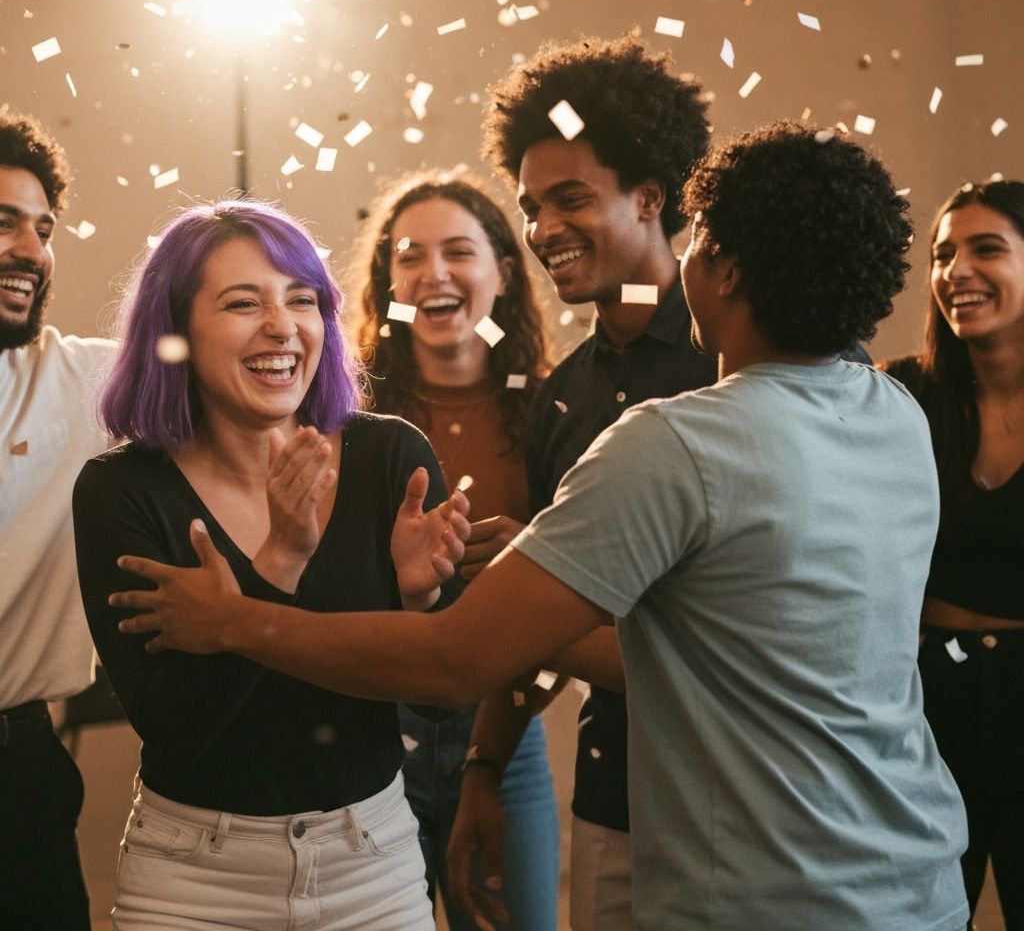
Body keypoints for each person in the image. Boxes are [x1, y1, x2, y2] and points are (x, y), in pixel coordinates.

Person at [110, 121, 971, 931]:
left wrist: (238, 618)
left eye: (699, 233)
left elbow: (453, 665)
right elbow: (744, 652)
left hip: (766, 893)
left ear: (732, 270)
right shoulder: (892, 411)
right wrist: (527, 576)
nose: (686, 251)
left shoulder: (675, 441)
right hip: (914, 874)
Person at [72, 199, 469, 931]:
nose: (284, 327)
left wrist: (419, 606)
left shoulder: (391, 459)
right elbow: (175, 729)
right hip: (193, 878)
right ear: (176, 331)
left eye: (303, 300)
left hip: (370, 862)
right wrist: (281, 559)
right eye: (242, 303)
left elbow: (445, 702)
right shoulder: (122, 492)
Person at [453, 33, 718, 930]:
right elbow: (540, 611)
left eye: (571, 199)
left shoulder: (733, 363)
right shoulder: (563, 398)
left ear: (651, 198)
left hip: (745, 803)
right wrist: (486, 765)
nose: (541, 231)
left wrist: (508, 594)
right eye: (530, 207)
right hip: (611, 803)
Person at [353, 168, 559, 931]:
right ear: (389, 284)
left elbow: (573, 605)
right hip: (370, 740)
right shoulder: (352, 417)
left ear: (504, 272)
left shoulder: (549, 411)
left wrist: (488, 756)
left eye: (458, 252)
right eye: (409, 255)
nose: (432, 272)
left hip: (506, 741)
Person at [881, 179, 1024, 929]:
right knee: (920, 914)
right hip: (926, 701)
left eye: (986, 249)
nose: (955, 271)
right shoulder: (899, 397)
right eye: (942, 255)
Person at [0, 108, 114, 929]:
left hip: (18, 780)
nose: (32, 252)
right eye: (2, 224)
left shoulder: (79, 384)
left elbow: (241, 344)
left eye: (43, 229)